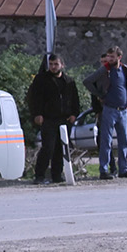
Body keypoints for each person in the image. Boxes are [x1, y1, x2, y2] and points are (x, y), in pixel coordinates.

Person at [85, 47, 127, 179]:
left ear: (119, 57)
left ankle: (124, 169)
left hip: (123, 110)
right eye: (108, 56)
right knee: (106, 141)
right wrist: (100, 95)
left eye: (112, 57)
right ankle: (104, 170)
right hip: (109, 109)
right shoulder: (105, 70)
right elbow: (88, 81)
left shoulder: (125, 69)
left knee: (123, 141)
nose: (109, 59)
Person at [26, 54, 79, 184]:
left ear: (62, 65)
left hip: (64, 119)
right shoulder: (41, 80)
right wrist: (37, 114)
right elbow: (34, 99)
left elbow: (74, 99)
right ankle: (39, 175)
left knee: (60, 149)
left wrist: (74, 114)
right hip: (48, 119)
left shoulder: (69, 82)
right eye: (51, 64)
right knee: (48, 147)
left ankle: (57, 175)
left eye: (56, 64)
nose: (53, 67)